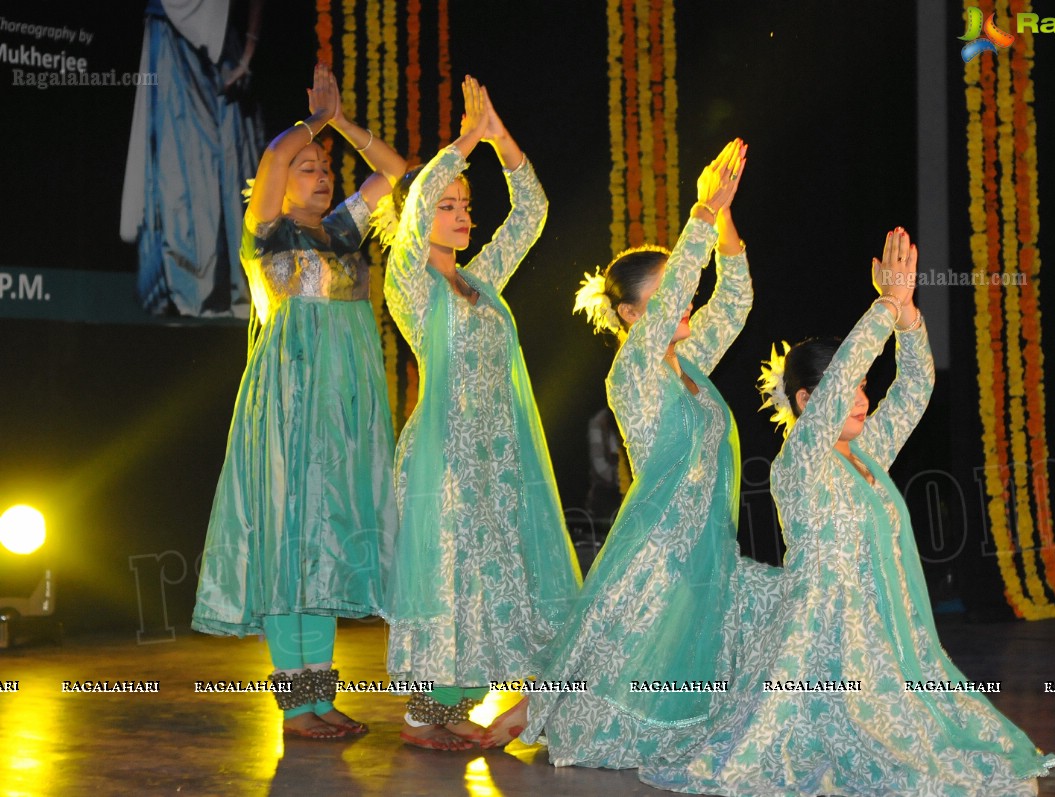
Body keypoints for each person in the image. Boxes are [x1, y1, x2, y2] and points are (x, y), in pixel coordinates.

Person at [642, 228, 1055, 795]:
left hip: (883, 631)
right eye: (851, 388)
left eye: (865, 385)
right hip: (826, 637)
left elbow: (915, 386)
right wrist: (883, 304)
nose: (861, 396)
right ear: (809, 402)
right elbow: (838, 382)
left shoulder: (865, 455)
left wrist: (909, 314)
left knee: (938, 729)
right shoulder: (802, 458)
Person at [482, 140, 781, 766]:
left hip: (704, 543)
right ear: (628, 312)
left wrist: (722, 216)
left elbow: (736, 299)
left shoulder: (689, 363)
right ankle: (532, 713)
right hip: (660, 547)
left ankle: (533, 710)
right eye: (668, 291)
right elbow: (681, 298)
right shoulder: (634, 370)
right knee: (614, 658)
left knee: (643, 661)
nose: (684, 300)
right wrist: (698, 214)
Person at [192, 64, 407, 739]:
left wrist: (342, 123)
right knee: (289, 544)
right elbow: (274, 152)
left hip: (344, 402)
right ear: (280, 183)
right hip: (288, 403)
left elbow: (393, 170)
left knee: (321, 545)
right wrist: (311, 122)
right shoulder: (269, 232)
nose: (321, 172)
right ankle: (294, 704)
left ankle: (320, 696)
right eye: (308, 167)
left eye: (325, 167)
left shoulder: (343, 231)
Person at [372, 76, 581, 751]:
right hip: (442, 455)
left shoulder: (482, 280)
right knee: (446, 584)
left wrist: (498, 135)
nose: (462, 215)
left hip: (496, 456)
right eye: (447, 205)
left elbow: (532, 211)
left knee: (486, 585)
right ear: (419, 215)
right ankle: (421, 718)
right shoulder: (411, 281)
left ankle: (460, 706)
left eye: (466, 205)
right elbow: (413, 220)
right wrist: (462, 142)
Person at [120, 0, 265, 316]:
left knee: (235, 166)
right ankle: (195, 292)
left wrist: (248, 54)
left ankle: (240, 293)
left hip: (226, 46)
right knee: (182, 166)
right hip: (175, 41)